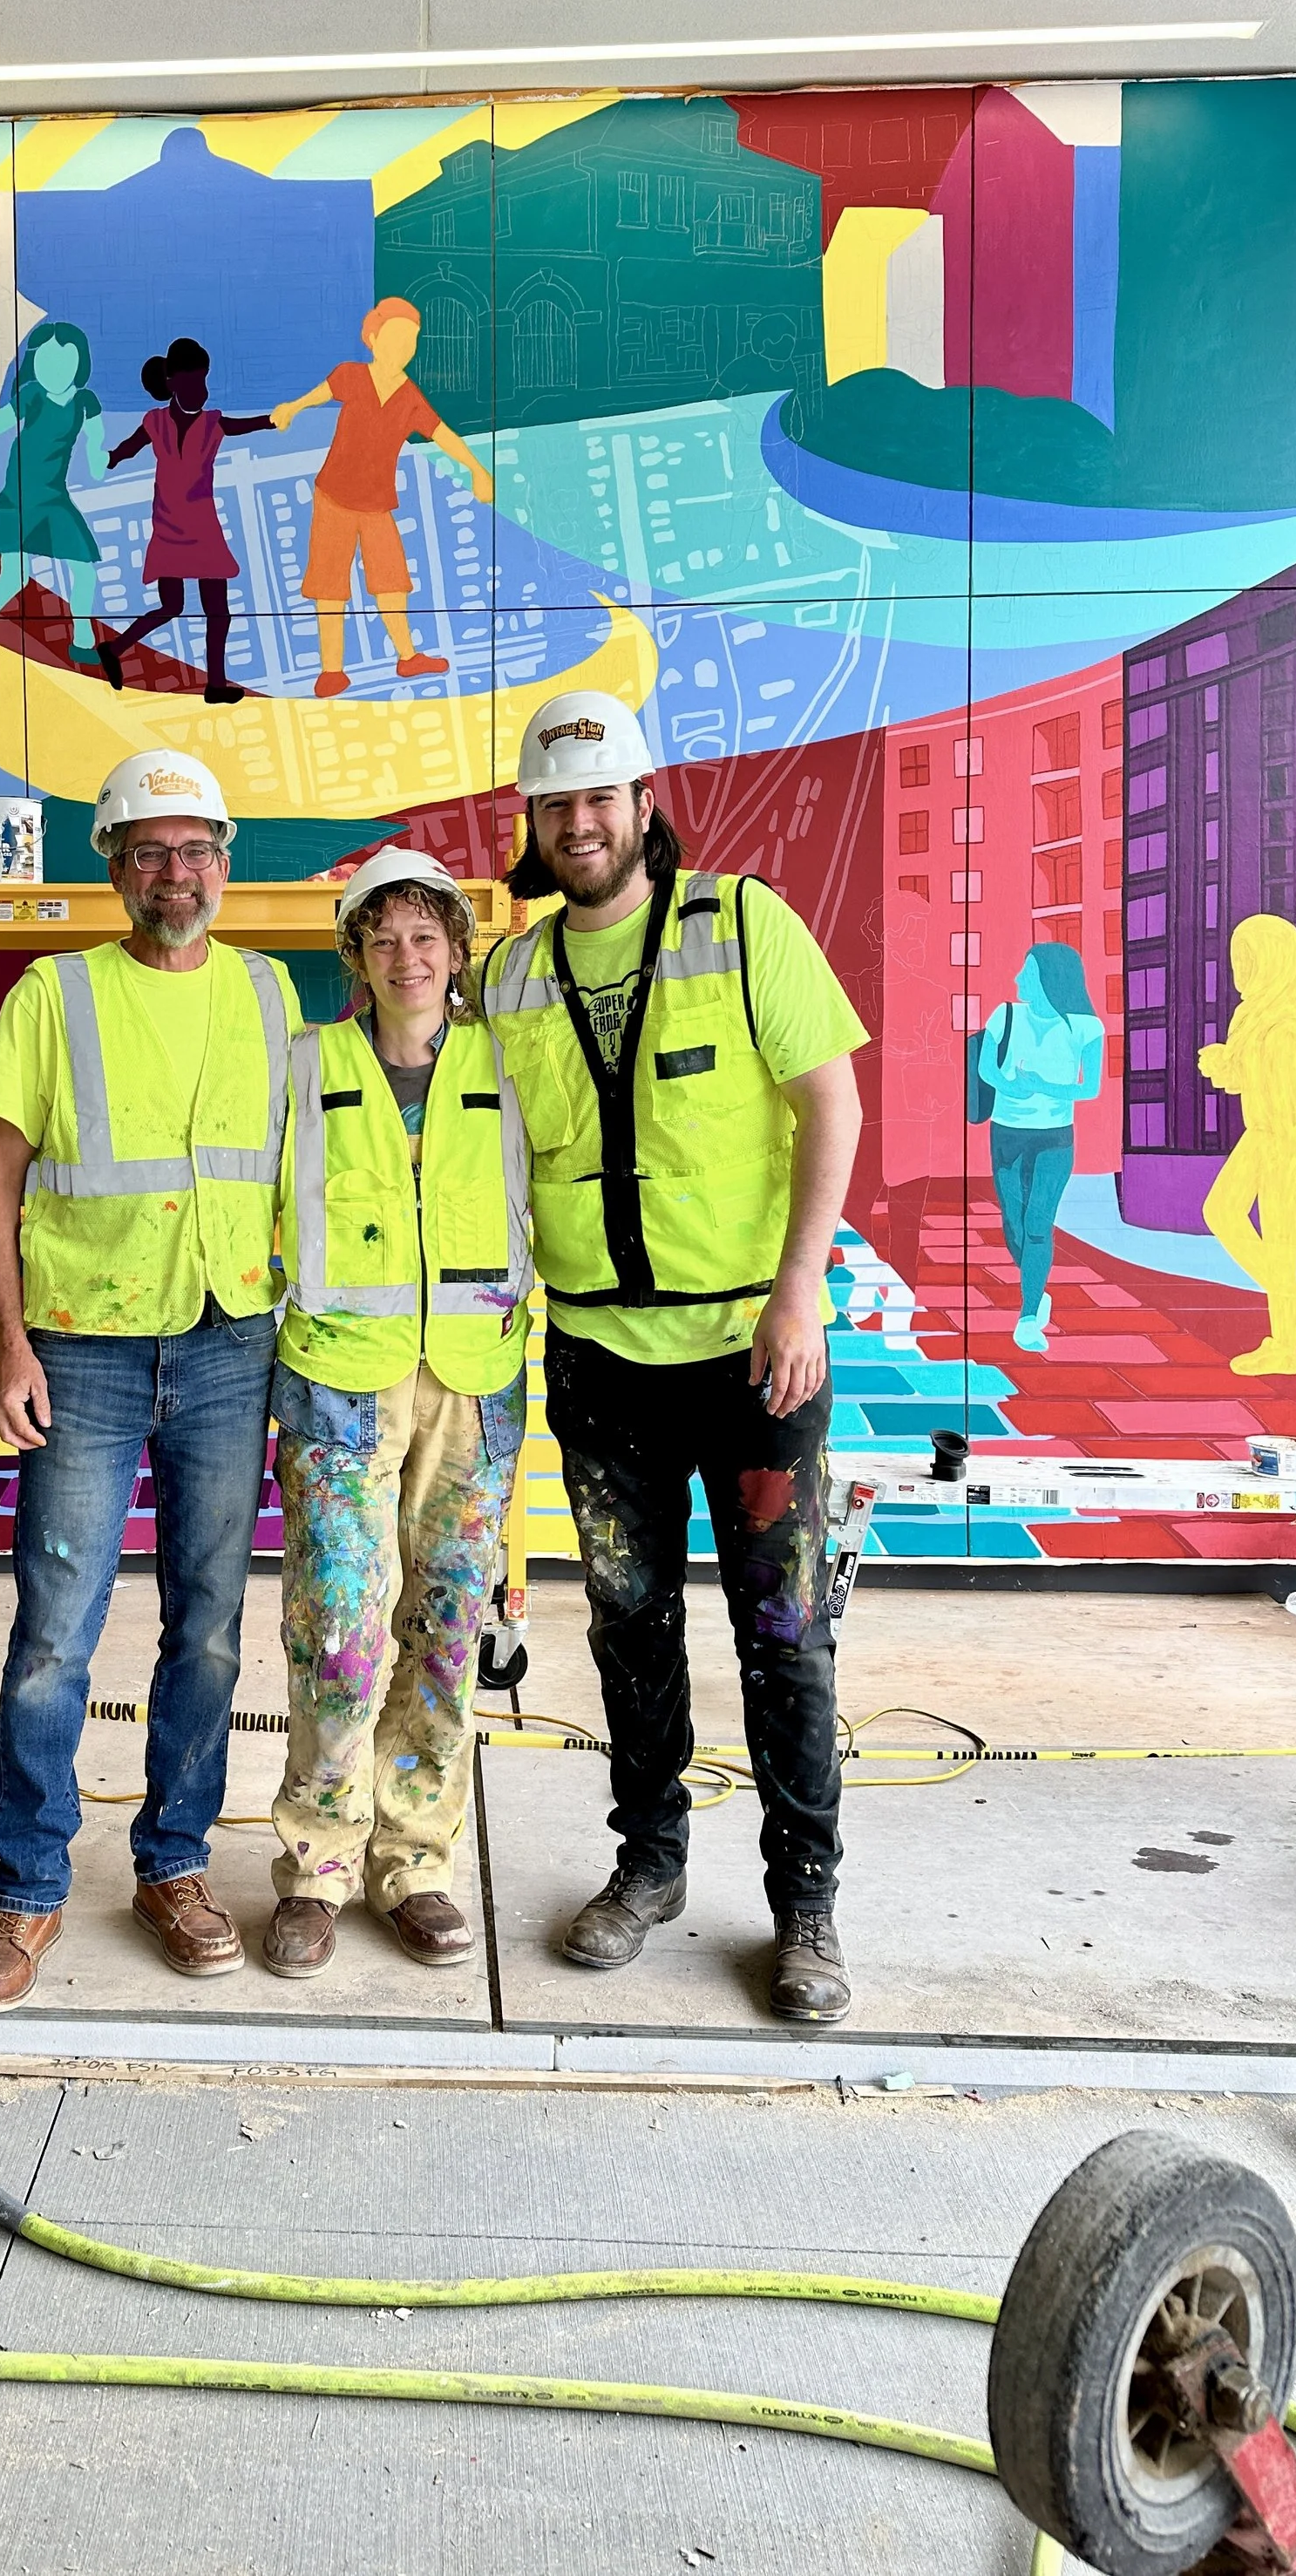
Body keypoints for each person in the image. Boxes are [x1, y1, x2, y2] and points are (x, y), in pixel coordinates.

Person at [480, 690, 868, 2025]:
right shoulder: (512, 974)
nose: (579, 823)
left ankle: (804, 1905)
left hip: (755, 1354)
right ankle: (646, 1866)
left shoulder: (743, 923)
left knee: (784, 1632)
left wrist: (801, 1288)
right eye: (554, 803)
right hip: (597, 1361)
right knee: (628, 1627)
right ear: (530, 822)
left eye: (601, 797)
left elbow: (834, 1099)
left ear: (645, 804)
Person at [0, 749, 299, 2009]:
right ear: (112, 863)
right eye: (148, 849)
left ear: (224, 859)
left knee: (207, 1625)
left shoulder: (271, 996)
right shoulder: (55, 994)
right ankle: (28, 1889)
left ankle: (175, 1863)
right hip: (83, 1346)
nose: (176, 871)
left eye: (196, 847)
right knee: (54, 1636)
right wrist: (8, 1342)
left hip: (228, 1342)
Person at [264, 848, 533, 1980]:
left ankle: (415, 1863)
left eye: (427, 936)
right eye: (383, 938)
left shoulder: (509, 1065)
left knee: (445, 1634)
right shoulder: (305, 1064)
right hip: (338, 1381)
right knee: (338, 1632)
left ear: (458, 953)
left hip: (476, 1383)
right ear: (356, 957)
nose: (406, 956)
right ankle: (319, 1866)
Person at [273, 298, 495, 700]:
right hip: (334, 498)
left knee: (391, 580)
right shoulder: (351, 375)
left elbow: (441, 433)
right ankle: (331, 671)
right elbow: (318, 395)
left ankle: (407, 656)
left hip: (377, 504)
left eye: (411, 340)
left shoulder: (409, 395)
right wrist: (291, 408)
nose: (404, 348)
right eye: (396, 338)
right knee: (329, 584)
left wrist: (477, 469)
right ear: (373, 338)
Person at [1198, 912, 1296, 1374]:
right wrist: (1226, 1063)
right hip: (1262, 1130)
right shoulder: (1256, 1012)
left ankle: (1285, 1346)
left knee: (1280, 1232)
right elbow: (1247, 1079)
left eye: (1247, 957)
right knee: (1221, 1211)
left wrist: (1238, 1068)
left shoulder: (1290, 1022)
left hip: (1286, 1135)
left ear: (1272, 960)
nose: (1239, 967)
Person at [101, 338, 275, 703]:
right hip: (169, 527)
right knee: (172, 606)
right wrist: (110, 458)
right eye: (193, 382)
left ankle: (213, 684)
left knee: (217, 612)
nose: (201, 391)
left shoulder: (213, 423)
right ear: (172, 382)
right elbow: (129, 447)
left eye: (204, 382)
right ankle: (114, 650)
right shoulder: (155, 422)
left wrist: (275, 420)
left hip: (202, 529)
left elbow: (248, 425)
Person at [0, 319, 111, 679]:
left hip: (54, 501)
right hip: (17, 501)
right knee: (14, 577)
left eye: (65, 362)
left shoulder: (85, 402)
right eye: (46, 362)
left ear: (80, 364)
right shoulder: (32, 396)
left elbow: (95, 443)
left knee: (85, 572)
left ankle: (82, 639)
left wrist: (99, 459)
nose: (55, 371)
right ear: (34, 364)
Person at [976, 943, 1105, 1352]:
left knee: (1037, 1224)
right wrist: (1006, 1083)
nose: (1018, 979)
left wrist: (1040, 1086)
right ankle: (1037, 1285)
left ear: (1049, 978)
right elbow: (984, 1066)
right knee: (1013, 1223)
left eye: (1027, 973)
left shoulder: (1086, 1028)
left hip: (1055, 1138)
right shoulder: (1006, 1014)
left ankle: (1028, 1315)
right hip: (1007, 1133)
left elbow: (1090, 1087)